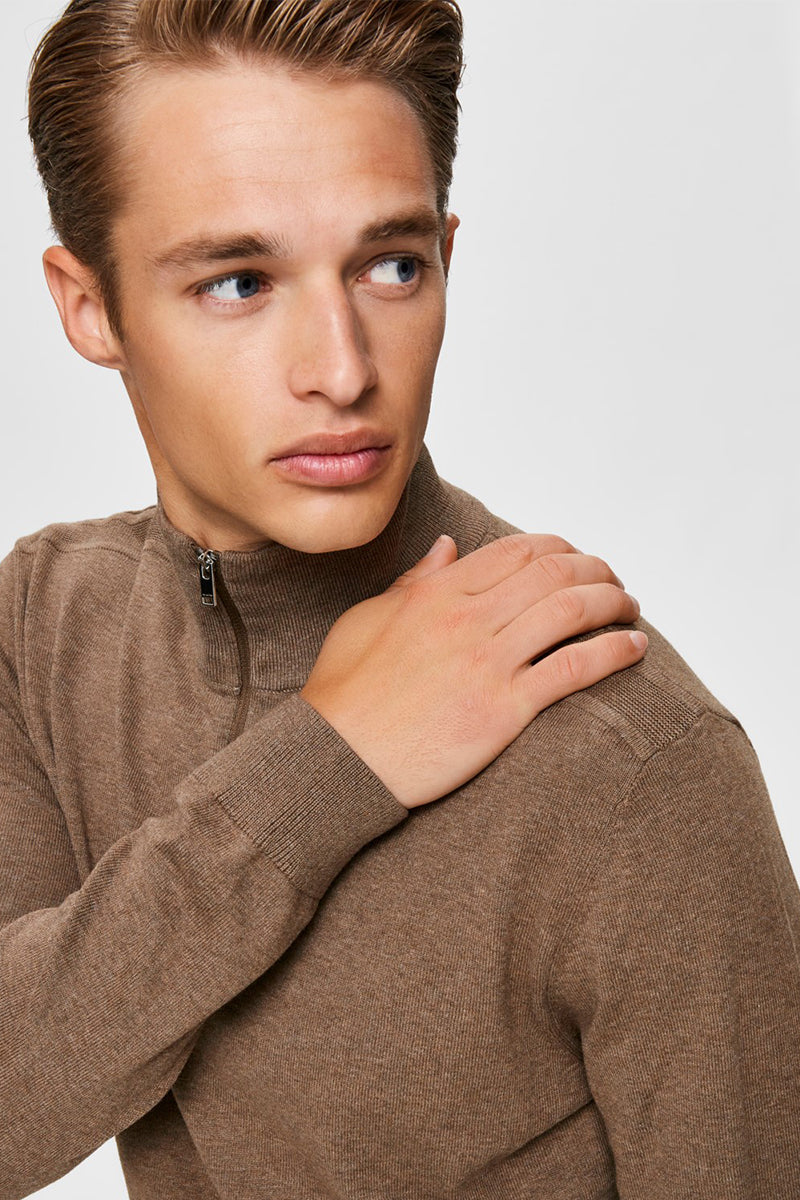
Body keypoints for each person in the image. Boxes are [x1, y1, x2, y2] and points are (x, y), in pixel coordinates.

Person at [1, 1, 797, 1197]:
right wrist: (323, 767)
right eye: (238, 281)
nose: (342, 369)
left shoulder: (628, 762)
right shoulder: (48, 623)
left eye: (390, 266)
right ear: (89, 306)